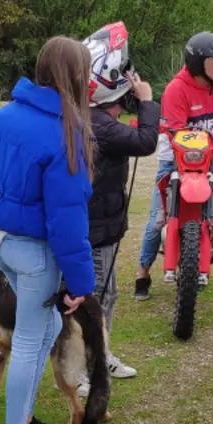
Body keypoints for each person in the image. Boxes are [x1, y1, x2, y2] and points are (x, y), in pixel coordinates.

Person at [0, 36, 96, 424]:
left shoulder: (2, 117)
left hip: (3, 245)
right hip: (34, 254)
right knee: (33, 338)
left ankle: (25, 418)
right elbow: (67, 219)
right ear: (76, 76)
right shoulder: (66, 132)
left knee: (48, 323)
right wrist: (81, 283)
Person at [133, 31, 213, 300]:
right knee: (157, 220)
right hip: (174, 160)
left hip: (209, 157)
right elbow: (178, 133)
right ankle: (143, 274)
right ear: (199, 62)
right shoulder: (176, 89)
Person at [79, 22, 160, 394]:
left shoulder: (93, 118)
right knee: (91, 298)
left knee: (106, 295)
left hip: (105, 226)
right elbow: (146, 141)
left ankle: (101, 353)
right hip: (94, 231)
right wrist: (146, 101)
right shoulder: (100, 125)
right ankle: (83, 367)